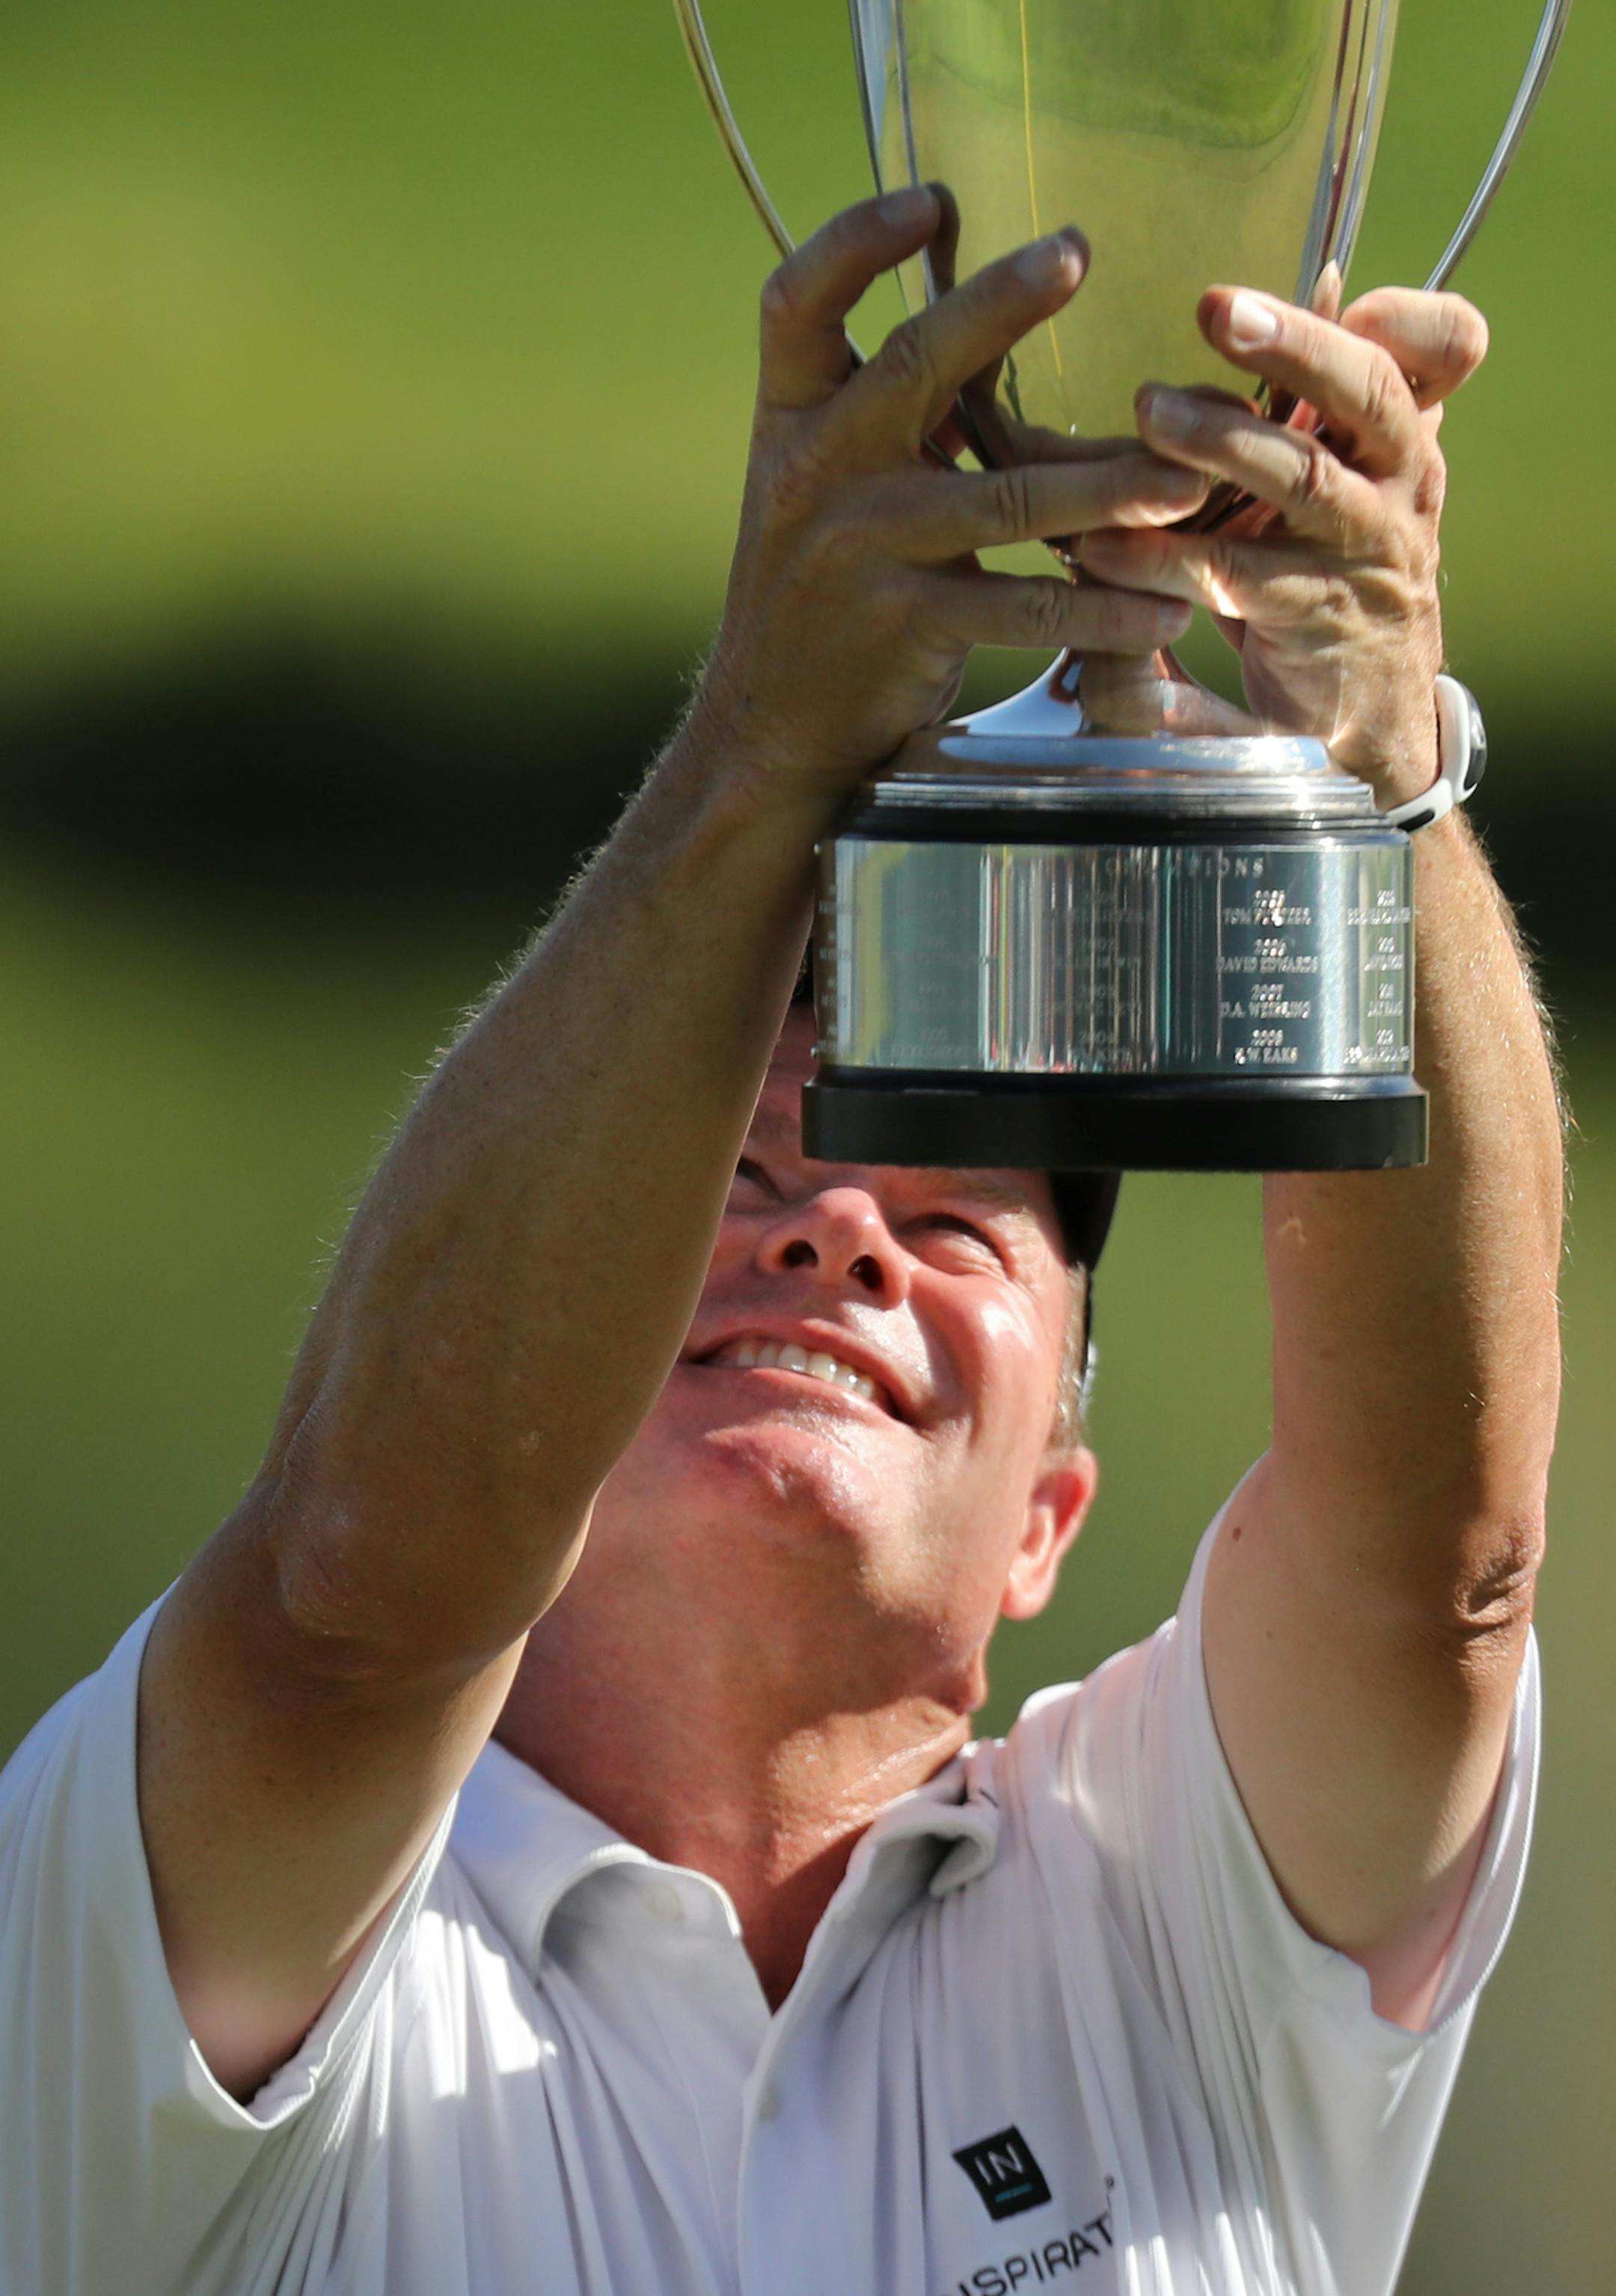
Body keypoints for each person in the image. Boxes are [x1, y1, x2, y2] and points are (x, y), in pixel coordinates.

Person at [0, 192, 1562, 2296]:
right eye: (741, 1186)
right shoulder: (210, 1922)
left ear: (1051, 1524)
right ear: (551, 1385)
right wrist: (757, 753)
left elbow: (1439, 1563)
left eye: (952, 1223)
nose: (838, 1236)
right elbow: (363, 1584)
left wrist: (1386, 774)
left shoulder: (1176, 1927)